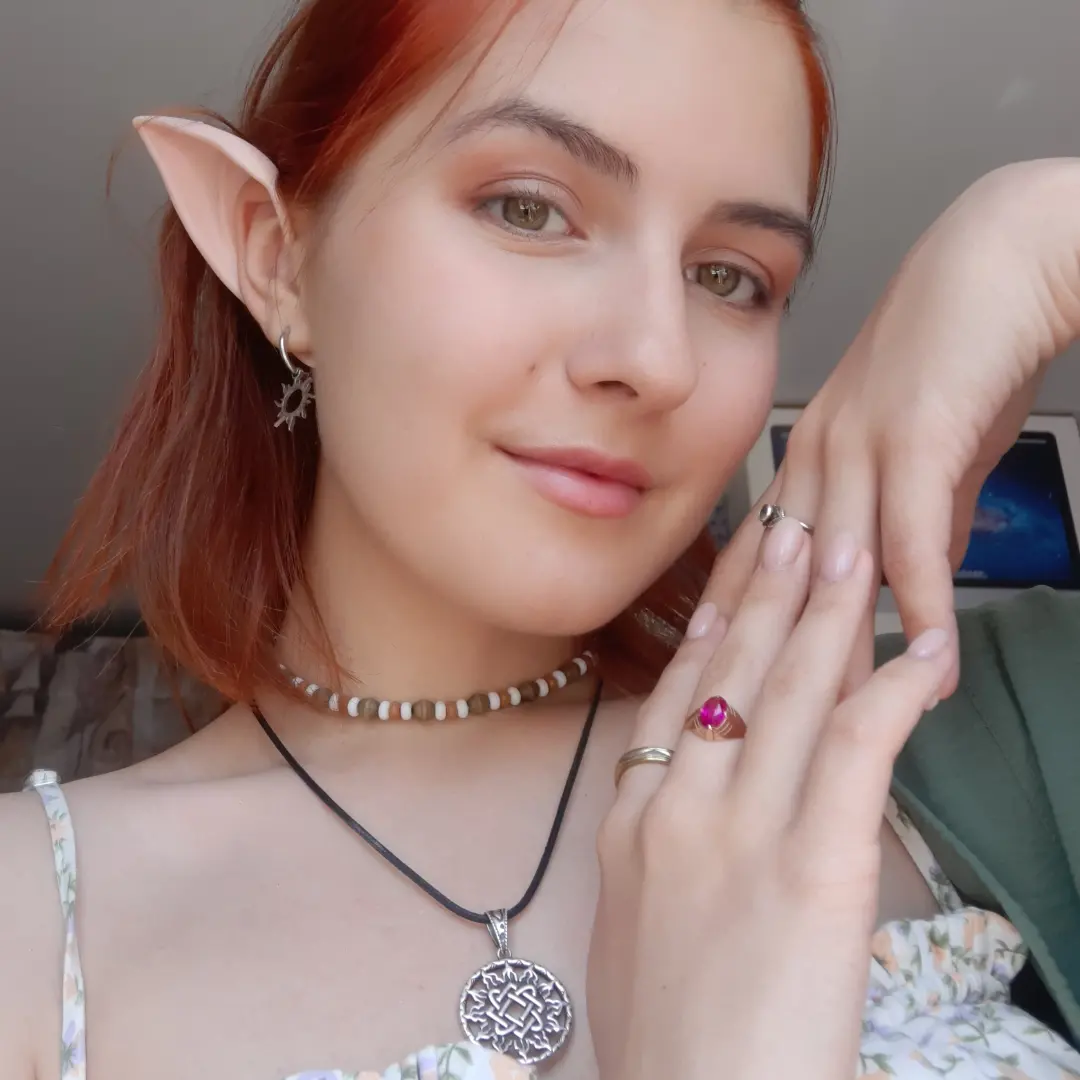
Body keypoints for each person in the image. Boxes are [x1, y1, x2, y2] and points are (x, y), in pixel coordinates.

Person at [0, 1, 1078, 1079]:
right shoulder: (33, 928)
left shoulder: (949, 739)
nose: (657, 359)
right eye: (528, 209)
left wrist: (1022, 238)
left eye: (729, 276)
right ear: (279, 256)